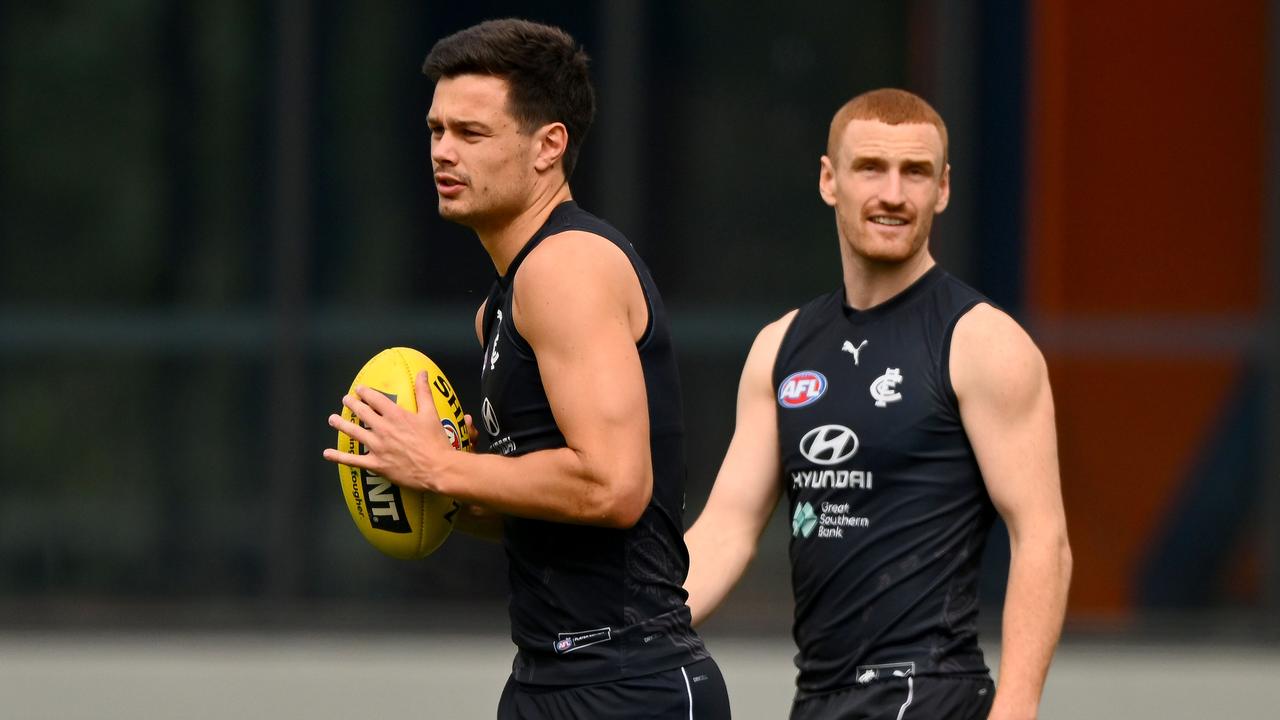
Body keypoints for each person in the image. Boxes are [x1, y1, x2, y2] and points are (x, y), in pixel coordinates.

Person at [322, 18, 730, 720]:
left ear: (549, 146)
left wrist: (440, 469)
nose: (444, 152)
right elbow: (543, 502)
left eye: (472, 134)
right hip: (548, 677)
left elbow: (614, 485)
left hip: (629, 682)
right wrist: (428, 481)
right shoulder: (501, 305)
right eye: (435, 130)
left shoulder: (565, 267)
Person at [682, 88, 1072, 720]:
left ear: (942, 190)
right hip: (817, 699)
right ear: (829, 180)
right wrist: (631, 637)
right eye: (871, 168)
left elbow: (1043, 540)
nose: (893, 193)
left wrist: (1018, 707)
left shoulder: (982, 341)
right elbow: (726, 529)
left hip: (931, 695)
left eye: (915, 172)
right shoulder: (780, 347)